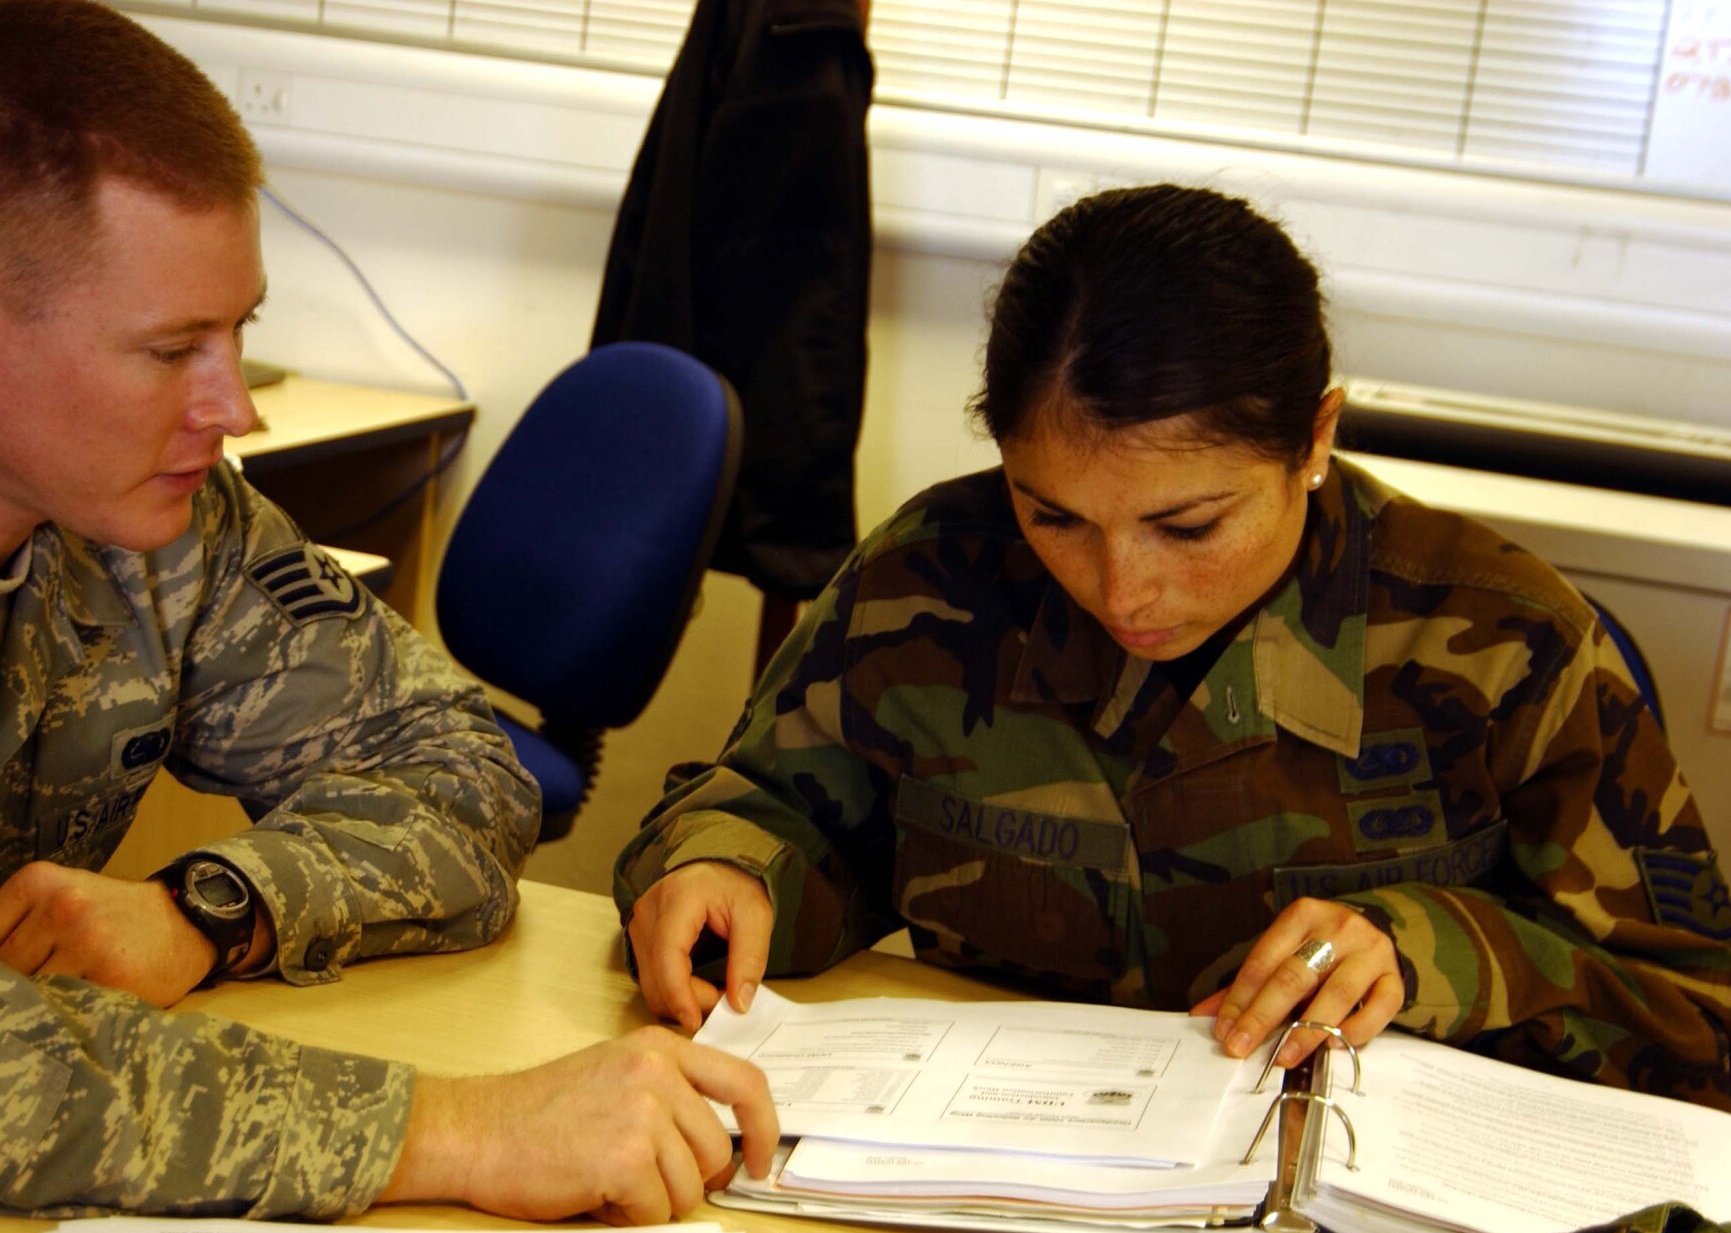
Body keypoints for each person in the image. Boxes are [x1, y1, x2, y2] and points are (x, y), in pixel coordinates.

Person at [0, 0, 775, 1223]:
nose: (236, 409)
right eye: (175, 349)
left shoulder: (142, 514)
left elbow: (459, 766)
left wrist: (204, 911)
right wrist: (446, 1130)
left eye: (242, 333)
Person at [616, 183, 1730, 1110]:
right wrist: (723, 866)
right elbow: (774, 810)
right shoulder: (927, 581)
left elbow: (1699, 1017)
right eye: (1051, 514)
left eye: (1188, 526)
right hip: (974, 1185)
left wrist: (1436, 947)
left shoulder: (1502, 643)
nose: (1121, 588)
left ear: (1314, 440)